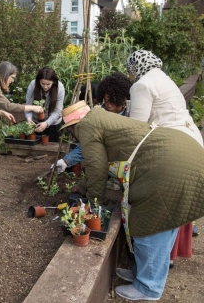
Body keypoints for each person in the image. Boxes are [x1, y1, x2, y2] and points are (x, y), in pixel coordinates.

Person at [61, 101, 204, 301]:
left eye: (69, 131)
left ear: (72, 126)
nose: (72, 135)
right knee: (166, 226)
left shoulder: (85, 126)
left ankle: (148, 287)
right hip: (182, 153)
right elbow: (103, 162)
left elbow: (96, 169)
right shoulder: (100, 118)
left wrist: (93, 207)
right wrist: (82, 187)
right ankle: (142, 274)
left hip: (169, 168)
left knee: (149, 227)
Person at [125, 49, 203, 267]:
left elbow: (137, 129)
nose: (130, 76)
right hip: (192, 141)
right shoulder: (163, 77)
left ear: (135, 68)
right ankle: (168, 257)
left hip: (172, 147)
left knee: (161, 203)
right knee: (178, 203)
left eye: (129, 71)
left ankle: (158, 263)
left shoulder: (141, 85)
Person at [53, 73, 132, 184]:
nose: (109, 105)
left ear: (123, 99)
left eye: (113, 102)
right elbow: (90, 142)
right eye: (106, 101)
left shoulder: (133, 114)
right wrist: (66, 161)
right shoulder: (102, 114)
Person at [25, 67, 65, 142]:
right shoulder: (33, 85)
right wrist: (29, 119)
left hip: (53, 123)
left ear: (53, 82)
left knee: (52, 148)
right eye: (42, 83)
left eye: (48, 84)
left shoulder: (59, 88)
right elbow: (28, 106)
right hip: (35, 122)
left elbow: (58, 111)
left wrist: (46, 123)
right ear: (38, 81)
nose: (45, 86)